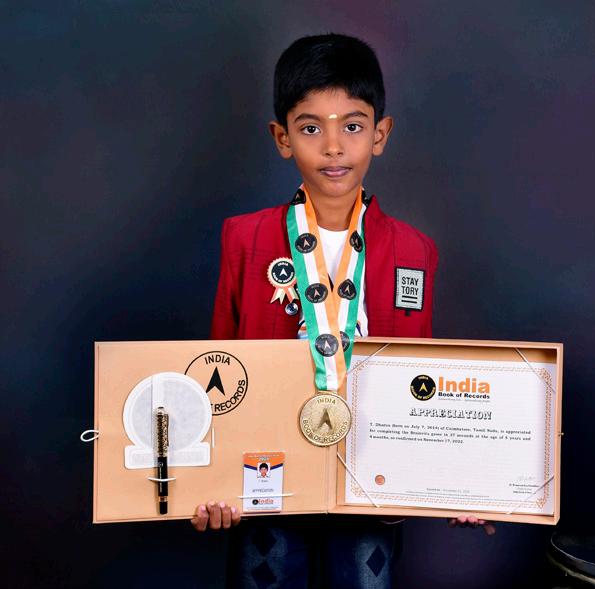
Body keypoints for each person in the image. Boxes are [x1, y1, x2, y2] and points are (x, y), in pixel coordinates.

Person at [191, 33, 493, 589]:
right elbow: (216, 369)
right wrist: (208, 480)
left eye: (352, 127)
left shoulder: (415, 251)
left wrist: (459, 482)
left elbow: (422, 381)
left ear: (380, 134)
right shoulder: (245, 239)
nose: (334, 147)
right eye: (311, 129)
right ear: (282, 138)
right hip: (266, 478)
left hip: (370, 483)